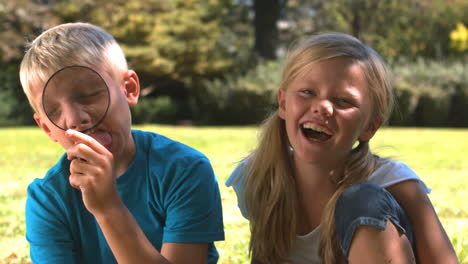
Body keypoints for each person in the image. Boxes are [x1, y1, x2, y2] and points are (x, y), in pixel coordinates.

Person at [226, 33, 458, 264]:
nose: (322, 107)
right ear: (284, 103)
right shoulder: (259, 176)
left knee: (363, 200)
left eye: (344, 101)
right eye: (308, 92)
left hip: (369, 205)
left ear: (370, 126)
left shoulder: (392, 182)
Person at [20, 22, 224, 264]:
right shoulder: (48, 198)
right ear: (46, 128)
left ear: (129, 89)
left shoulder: (184, 170)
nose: (75, 119)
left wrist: (108, 208)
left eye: (88, 95)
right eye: (53, 111)